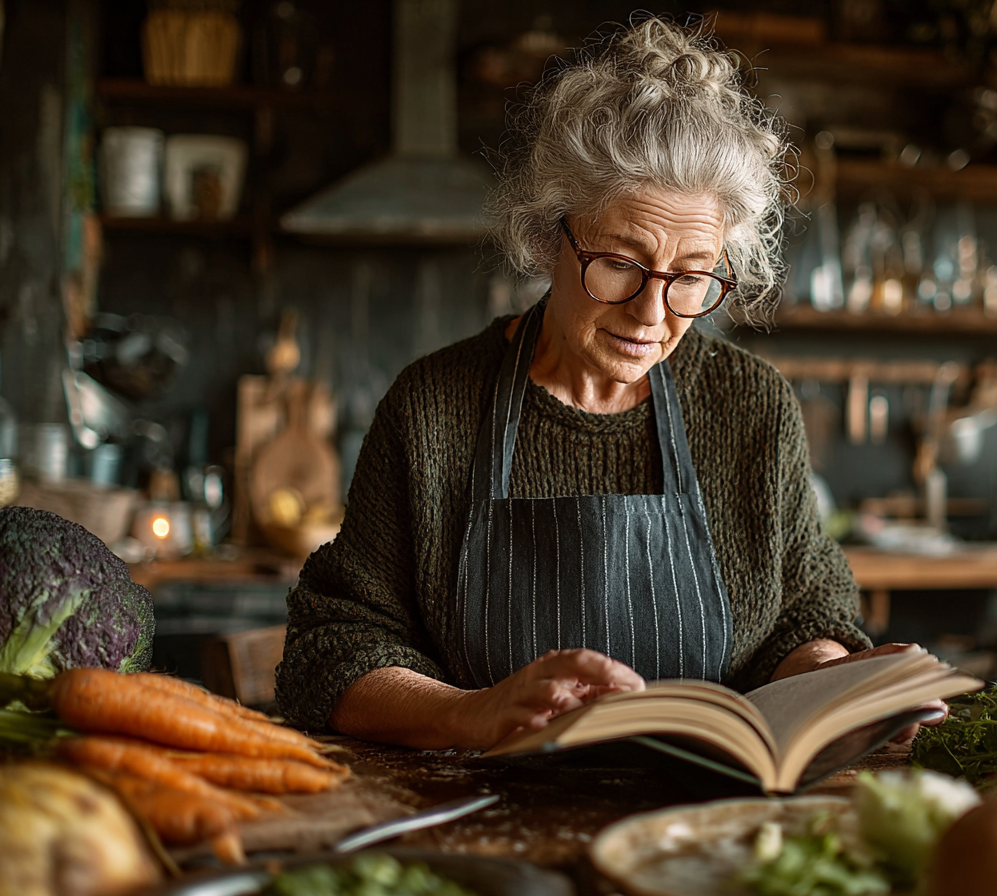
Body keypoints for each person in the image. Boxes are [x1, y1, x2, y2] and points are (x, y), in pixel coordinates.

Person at [275, 17, 946, 751]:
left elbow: (802, 613)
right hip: (478, 819)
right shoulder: (435, 408)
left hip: (709, 822)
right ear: (546, 237)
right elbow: (334, 646)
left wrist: (832, 679)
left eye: (691, 277)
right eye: (621, 263)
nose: (651, 314)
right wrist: (465, 713)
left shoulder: (750, 404)